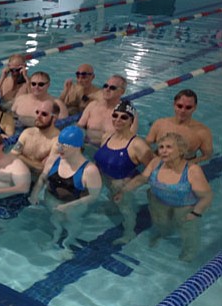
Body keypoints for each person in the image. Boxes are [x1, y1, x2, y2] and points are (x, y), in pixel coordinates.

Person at [115, 132, 212, 262]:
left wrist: (196, 213)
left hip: (184, 205)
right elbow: (142, 178)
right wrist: (123, 191)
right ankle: (163, 235)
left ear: (181, 150)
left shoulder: (192, 170)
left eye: (169, 147)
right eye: (161, 147)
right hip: (158, 200)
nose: (164, 151)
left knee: (187, 231)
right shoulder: (156, 163)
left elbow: (206, 196)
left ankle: (188, 252)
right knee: (161, 224)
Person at [30, 125, 102, 250]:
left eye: (65, 145)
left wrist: (68, 206)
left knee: (71, 223)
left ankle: (67, 244)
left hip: (75, 205)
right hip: (52, 200)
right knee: (56, 220)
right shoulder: (53, 160)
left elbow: (94, 196)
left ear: (77, 146)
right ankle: (54, 239)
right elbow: (42, 178)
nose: (59, 148)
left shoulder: (89, 170)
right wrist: (35, 193)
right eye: (59, 144)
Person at [94, 101, 154, 244]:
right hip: (107, 180)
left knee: (126, 210)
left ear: (131, 121)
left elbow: (153, 169)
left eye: (124, 117)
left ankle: (129, 233)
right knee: (113, 200)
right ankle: (112, 209)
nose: (118, 120)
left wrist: (130, 185)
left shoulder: (137, 144)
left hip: (124, 184)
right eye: (115, 116)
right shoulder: (106, 136)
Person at [145, 89, 212, 164]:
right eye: (179, 106)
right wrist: (156, 161)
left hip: (183, 169)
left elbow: (207, 156)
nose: (183, 110)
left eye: (188, 107)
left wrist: (186, 165)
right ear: (174, 104)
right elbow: (146, 145)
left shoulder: (202, 132)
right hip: (158, 164)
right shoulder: (159, 124)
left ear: (194, 108)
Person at [78, 74, 137, 147]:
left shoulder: (128, 114)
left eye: (112, 88)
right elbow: (79, 127)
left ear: (122, 92)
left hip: (111, 149)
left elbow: (130, 140)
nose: (107, 89)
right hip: (86, 145)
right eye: (105, 86)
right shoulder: (92, 106)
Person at [11, 99, 60, 178]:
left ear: (54, 118)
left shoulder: (57, 140)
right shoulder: (27, 133)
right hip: (20, 174)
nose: (38, 116)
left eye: (44, 114)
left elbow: (44, 170)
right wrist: (36, 164)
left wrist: (20, 157)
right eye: (37, 112)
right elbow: (12, 156)